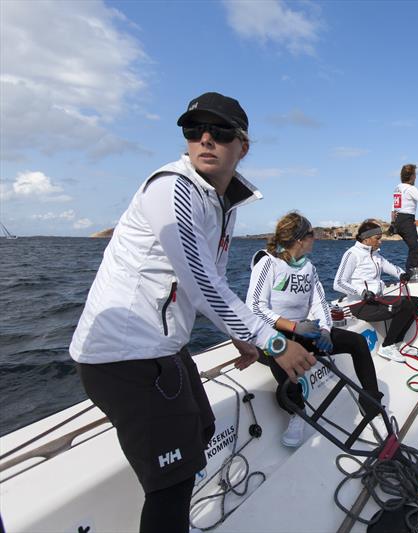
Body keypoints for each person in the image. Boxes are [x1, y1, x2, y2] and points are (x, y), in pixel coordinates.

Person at [69, 92, 316, 533]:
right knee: (172, 484)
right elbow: (203, 283)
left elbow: (205, 283)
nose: (205, 139)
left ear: (243, 146)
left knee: (201, 427)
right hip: (122, 357)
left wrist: (241, 335)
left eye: (220, 132)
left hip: (163, 347)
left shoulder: (223, 204)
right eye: (193, 130)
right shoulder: (173, 188)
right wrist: (272, 341)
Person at [246, 212, 384, 447]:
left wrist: (326, 332)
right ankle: (297, 415)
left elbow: (318, 302)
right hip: (272, 335)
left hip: (306, 331)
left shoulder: (308, 267)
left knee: (357, 343)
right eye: (311, 234)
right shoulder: (268, 263)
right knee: (288, 372)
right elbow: (254, 307)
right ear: (300, 239)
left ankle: (370, 403)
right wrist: (293, 326)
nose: (315, 238)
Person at [334, 219, 418, 362]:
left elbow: (389, 266)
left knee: (416, 302)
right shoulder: (352, 254)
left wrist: (401, 274)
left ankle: (398, 343)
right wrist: (362, 292)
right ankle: (386, 346)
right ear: (367, 239)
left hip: (375, 301)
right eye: (377, 239)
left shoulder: (375, 255)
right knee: (404, 305)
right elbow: (338, 283)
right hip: (360, 305)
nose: (380, 242)